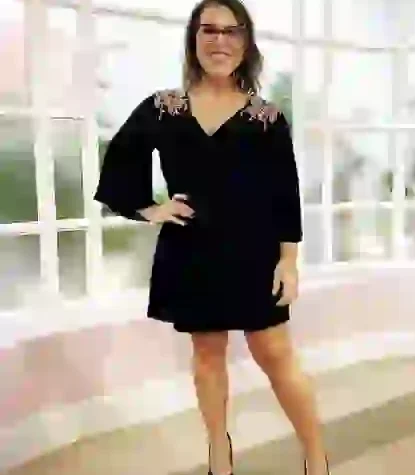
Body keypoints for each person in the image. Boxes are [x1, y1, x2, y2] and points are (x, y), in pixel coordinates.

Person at [94, 0, 330, 473]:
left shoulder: (266, 117)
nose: (220, 41)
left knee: (276, 354)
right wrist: (151, 208)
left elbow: (285, 194)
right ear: (194, 39)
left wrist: (288, 261)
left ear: (246, 43)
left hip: (254, 252)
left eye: (231, 31)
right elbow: (120, 162)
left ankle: (315, 452)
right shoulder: (163, 109)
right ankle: (219, 452)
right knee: (206, 354)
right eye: (210, 30)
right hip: (191, 250)